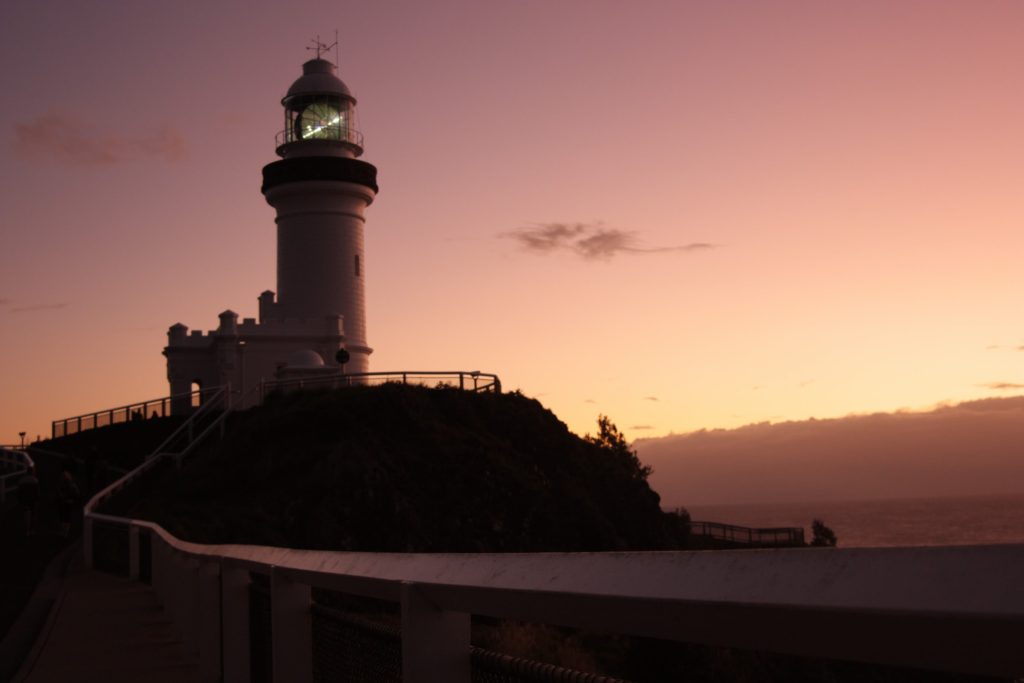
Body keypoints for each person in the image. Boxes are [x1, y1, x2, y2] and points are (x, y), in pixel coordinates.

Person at [17, 465, 40, 536]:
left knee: (26, 514)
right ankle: (32, 529)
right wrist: (37, 499)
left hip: (24, 499)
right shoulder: (35, 480)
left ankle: (26, 530)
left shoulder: (21, 480)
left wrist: (20, 499)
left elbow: (19, 491)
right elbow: (37, 491)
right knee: (33, 514)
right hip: (32, 500)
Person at [57, 469, 80, 537]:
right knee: (67, 517)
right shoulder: (72, 485)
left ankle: (63, 532)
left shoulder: (61, 484)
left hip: (63, 502)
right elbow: (77, 494)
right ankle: (65, 532)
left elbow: (59, 493)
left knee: (63, 517)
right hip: (68, 502)